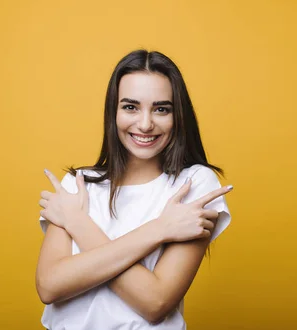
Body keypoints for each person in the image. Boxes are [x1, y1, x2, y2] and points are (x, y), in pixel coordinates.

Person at [35, 49, 232, 330]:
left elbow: (156, 302)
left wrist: (77, 223)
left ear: (178, 116)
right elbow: (49, 286)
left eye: (161, 109)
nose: (145, 123)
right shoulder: (78, 183)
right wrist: (161, 229)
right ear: (113, 112)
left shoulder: (194, 185)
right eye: (131, 107)